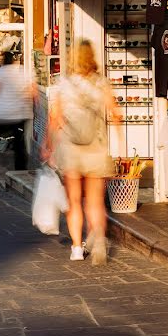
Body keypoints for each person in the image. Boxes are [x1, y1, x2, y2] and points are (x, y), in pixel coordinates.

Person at [44, 39, 117, 265]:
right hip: (95, 148)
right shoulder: (101, 83)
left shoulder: (63, 84)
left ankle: (76, 248)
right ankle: (99, 244)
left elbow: (55, 119)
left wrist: (47, 146)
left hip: (71, 150)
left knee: (74, 201)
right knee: (95, 201)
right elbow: (116, 114)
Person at [0, 51, 34, 171]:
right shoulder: (23, 72)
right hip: (19, 114)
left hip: (2, 114)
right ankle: (21, 169)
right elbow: (32, 91)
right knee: (20, 144)